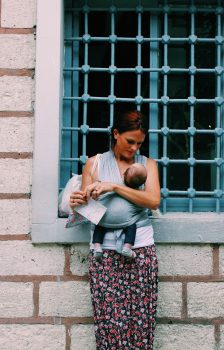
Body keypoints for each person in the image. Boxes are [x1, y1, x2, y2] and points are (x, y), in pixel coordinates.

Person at [69, 110, 160, 349]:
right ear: (116, 134)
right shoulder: (95, 162)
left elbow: (152, 200)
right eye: (130, 141)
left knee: (140, 320)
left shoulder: (147, 164)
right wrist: (78, 201)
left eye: (139, 143)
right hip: (104, 251)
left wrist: (115, 187)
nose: (134, 148)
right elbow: (87, 207)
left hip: (138, 249)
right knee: (109, 320)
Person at [93, 163, 147, 259]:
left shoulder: (113, 184)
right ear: (142, 183)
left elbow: (101, 196)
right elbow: (142, 207)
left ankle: (97, 247)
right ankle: (127, 247)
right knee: (132, 226)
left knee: (98, 226)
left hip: (104, 219)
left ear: (124, 174)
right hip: (126, 222)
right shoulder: (138, 194)